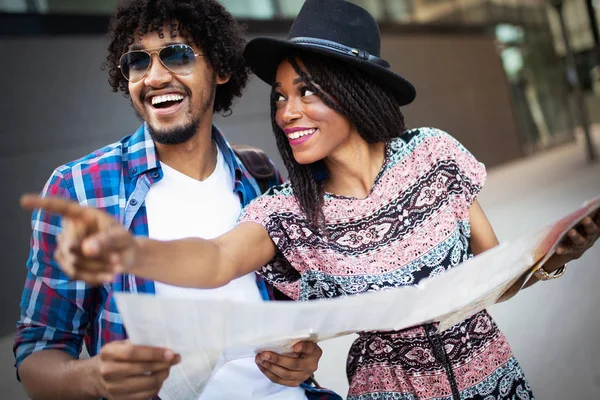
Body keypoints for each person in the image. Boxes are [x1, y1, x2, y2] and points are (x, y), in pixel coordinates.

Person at [21, 0, 600, 399]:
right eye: (280, 96)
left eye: (307, 92)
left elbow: (491, 273)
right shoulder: (288, 208)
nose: (287, 111)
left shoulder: (424, 156)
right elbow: (217, 259)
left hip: (490, 380)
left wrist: (553, 256)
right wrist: (130, 252)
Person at [13, 1, 341, 400]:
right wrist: (94, 377)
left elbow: (286, 313)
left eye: (178, 55)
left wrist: (300, 359)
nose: (153, 77)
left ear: (220, 69)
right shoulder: (79, 189)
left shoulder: (258, 173)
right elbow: (37, 357)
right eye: (137, 62)